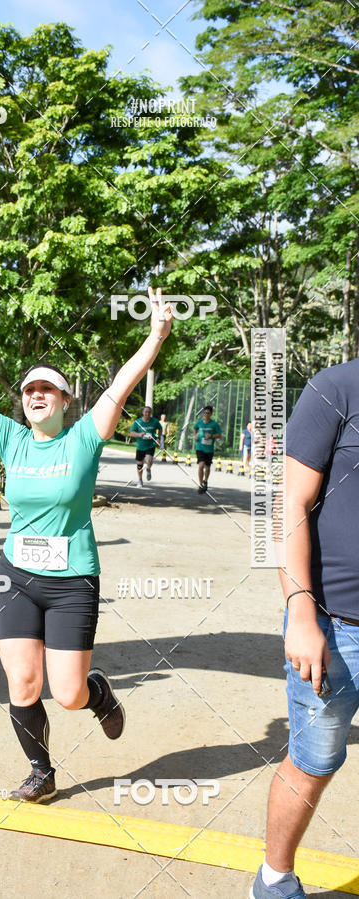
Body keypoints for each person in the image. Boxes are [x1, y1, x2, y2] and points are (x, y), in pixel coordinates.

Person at [0, 289, 173, 802]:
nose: (36, 395)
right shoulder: (11, 439)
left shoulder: (85, 437)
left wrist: (155, 336)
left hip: (72, 581)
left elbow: (121, 382)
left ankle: (98, 694)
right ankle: (41, 771)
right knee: (23, 684)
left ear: (65, 400)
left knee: (68, 692)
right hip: (16, 578)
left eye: (47, 389)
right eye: (30, 389)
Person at [251, 360, 359, 899]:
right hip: (338, 630)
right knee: (314, 760)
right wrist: (300, 612)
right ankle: (274, 880)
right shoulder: (337, 388)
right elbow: (288, 504)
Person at [129, 406, 161, 486]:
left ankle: (148, 469)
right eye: (146, 412)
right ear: (143, 412)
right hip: (140, 446)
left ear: (151, 413)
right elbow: (131, 433)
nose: (147, 413)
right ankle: (140, 480)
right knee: (140, 465)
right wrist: (139, 434)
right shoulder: (138, 422)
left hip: (150, 445)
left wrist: (158, 438)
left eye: (149, 412)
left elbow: (160, 429)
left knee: (149, 459)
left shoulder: (155, 421)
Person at [193, 405, 222, 493]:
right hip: (200, 447)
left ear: (211, 414)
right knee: (201, 465)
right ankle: (200, 484)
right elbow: (195, 429)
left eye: (208, 413)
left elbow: (219, 435)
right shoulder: (199, 423)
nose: (206, 414)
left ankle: (205, 481)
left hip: (209, 449)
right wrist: (195, 435)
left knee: (207, 467)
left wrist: (211, 435)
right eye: (205, 413)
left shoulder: (214, 424)